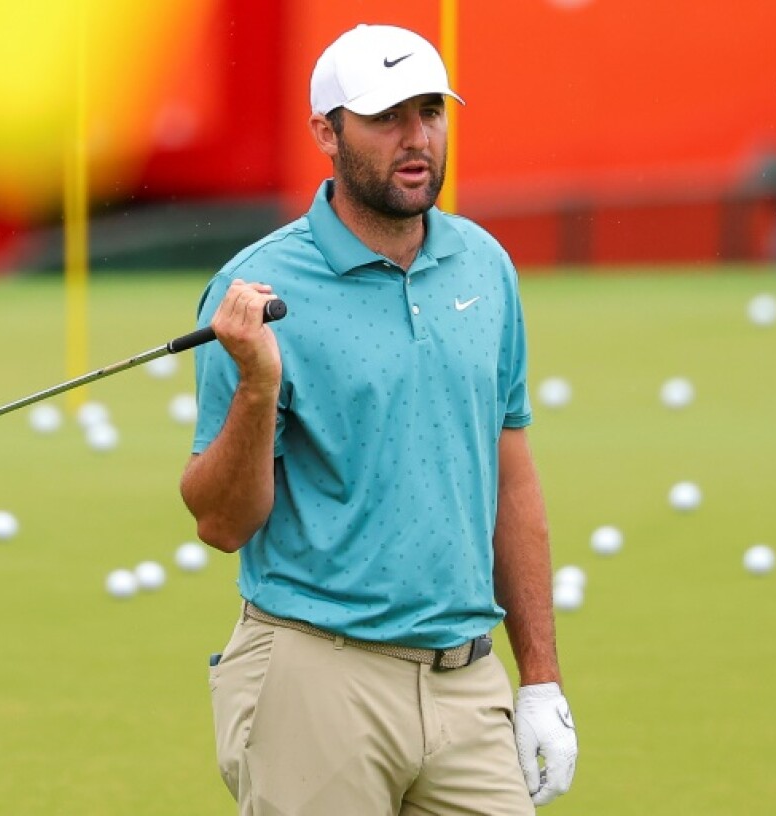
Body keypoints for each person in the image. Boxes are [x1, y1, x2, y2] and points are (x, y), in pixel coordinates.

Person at [181, 23, 577, 815]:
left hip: (468, 685)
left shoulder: (484, 266)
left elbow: (511, 475)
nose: (416, 137)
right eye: (386, 116)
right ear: (326, 133)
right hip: (317, 678)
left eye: (430, 111)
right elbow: (223, 522)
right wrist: (258, 384)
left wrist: (541, 679)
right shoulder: (254, 287)